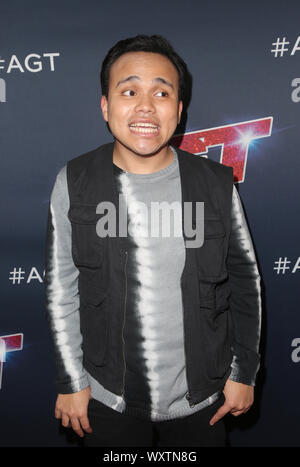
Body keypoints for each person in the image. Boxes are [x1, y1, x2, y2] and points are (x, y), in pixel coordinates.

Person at [44, 34, 262, 447]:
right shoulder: (74, 181)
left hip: (202, 398)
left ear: (179, 111)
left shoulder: (215, 183)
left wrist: (243, 372)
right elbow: (62, 290)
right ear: (106, 106)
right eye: (129, 90)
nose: (145, 105)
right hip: (107, 397)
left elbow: (245, 281)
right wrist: (71, 380)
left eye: (162, 92)